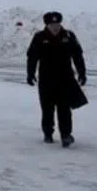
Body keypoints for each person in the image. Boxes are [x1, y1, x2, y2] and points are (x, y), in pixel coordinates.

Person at [26, 11, 87, 147]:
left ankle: (66, 135)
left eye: (57, 23)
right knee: (47, 109)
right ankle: (48, 134)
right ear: (47, 25)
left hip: (65, 79)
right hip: (46, 80)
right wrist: (30, 74)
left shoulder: (68, 36)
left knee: (64, 109)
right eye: (52, 24)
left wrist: (82, 73)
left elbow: (77, 56)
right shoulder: (40, 37)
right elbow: (32, 57)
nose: (55, 26)